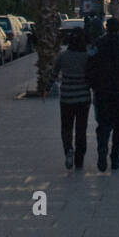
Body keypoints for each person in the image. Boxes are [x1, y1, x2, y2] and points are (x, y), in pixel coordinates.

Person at [87, 16, 119, 170]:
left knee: (103, 123)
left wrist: (94, 84)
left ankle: (102, 150)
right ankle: (115, 157)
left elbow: (90, 65)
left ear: (106, 28)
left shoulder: (98, 44)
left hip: (102, 91)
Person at [52, 27, 92, 170]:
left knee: (66, 128)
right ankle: (79, 160)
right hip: (83, 98)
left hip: (67, 98)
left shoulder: (63, 56)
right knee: (81, 130)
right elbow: (92, 75)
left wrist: (47, 87)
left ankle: (68, 149)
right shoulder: (87, 56)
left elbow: (54, 73)